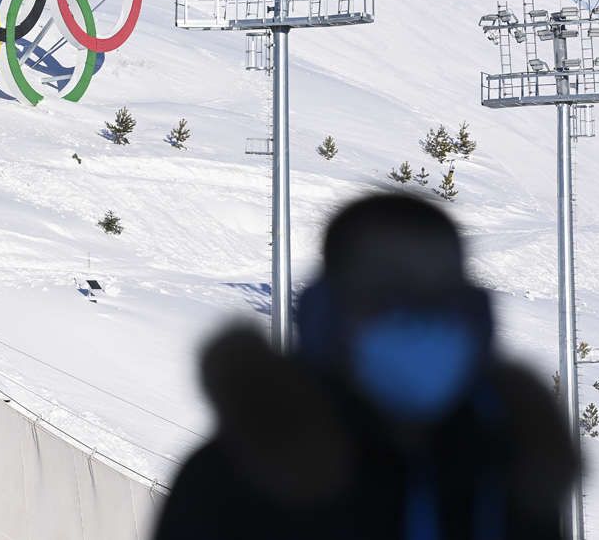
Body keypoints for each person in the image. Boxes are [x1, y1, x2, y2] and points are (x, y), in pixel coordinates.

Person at [155, 193, 576, 540]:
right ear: (327, 314)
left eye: (444, 300)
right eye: (392, 295)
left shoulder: (508, 473)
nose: (424, 323)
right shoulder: (237, 482)